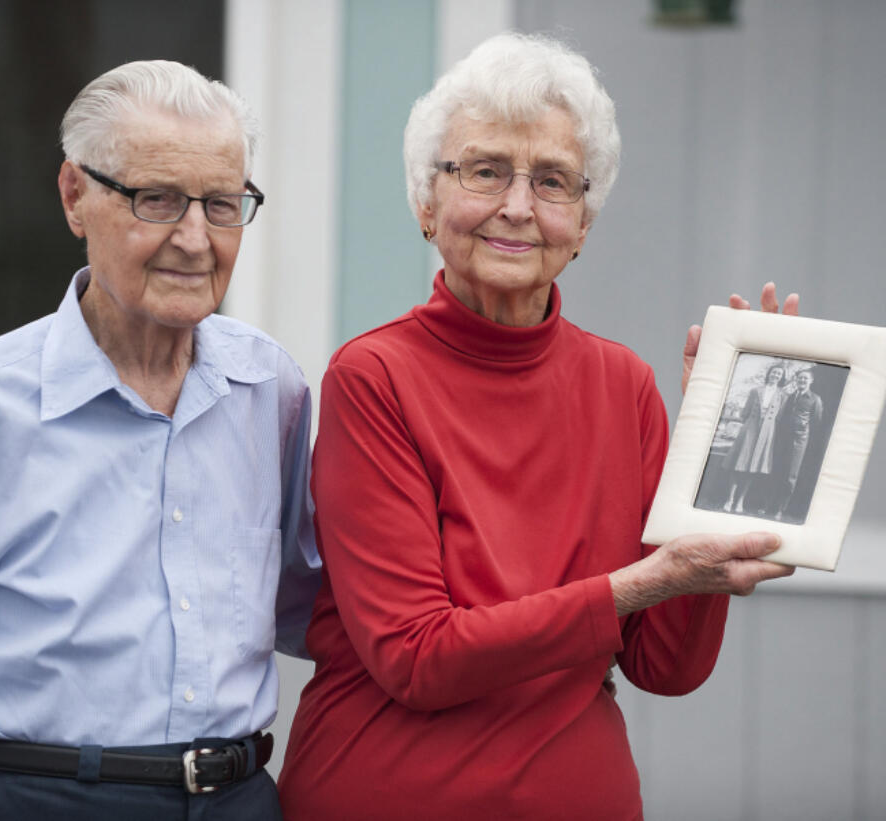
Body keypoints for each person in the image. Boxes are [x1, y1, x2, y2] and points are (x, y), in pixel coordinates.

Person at [277, 33, 796, 820]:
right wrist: (640, 583)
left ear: (583, 222)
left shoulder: (623, 384)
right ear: (426, 200)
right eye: (485, 170)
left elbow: (664, 663)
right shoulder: (374, 378)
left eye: (553, 181)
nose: (518, 206)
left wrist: (715, 468)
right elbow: (418, 656)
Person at [0, 60, 321, 821]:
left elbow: (315, 611)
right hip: (29, 798)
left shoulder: (270, 390)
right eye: (157, 199)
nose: (195, 238)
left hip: (235, 799)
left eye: (222, 204)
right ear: (74, 195)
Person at [721, 362, 788, 515]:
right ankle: (729, 499)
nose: (775, 375)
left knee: (753, 467)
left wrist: (767, 427)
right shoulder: (755, 390)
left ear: (781, 377)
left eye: (779, 374)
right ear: (769, 373)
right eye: (774, 372)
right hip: (750, 429)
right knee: (739, 463)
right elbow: (745, 412)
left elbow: (780, 417)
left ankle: (740, 501)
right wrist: (750, 426)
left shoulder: (783, 396)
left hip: (767, 432)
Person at [775, 367, 824, 521]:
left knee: (791, 475)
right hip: (783, 438)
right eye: (800, 378)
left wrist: (802, 432)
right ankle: (768, 504)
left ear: (811, 381)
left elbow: (816, 422)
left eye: (805, 378)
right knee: (778, 470)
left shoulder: (815, 399)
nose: (802, 381)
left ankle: (780, 510)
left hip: (799, 440)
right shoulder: (790, 396)